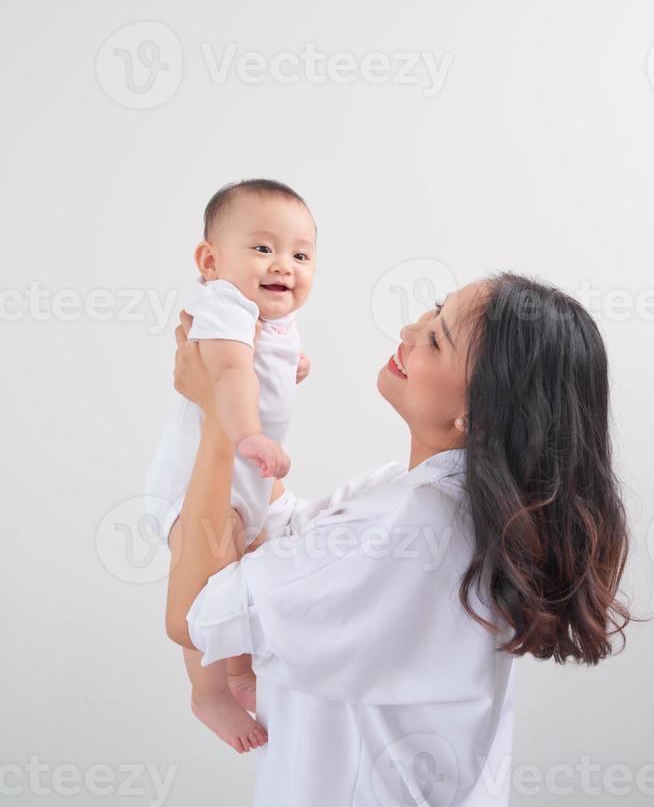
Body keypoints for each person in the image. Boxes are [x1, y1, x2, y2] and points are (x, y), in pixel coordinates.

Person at [165, 273, 634, 806]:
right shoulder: (427, 500)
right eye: (434, 312)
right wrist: (251, 400)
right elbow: (280, 527)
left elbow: (193, 617)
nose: (411, 330)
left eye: (436, 340)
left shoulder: (411, 525)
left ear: (478, 413)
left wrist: (213, 420)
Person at [145, 178, 316, 753]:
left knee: (246, 579)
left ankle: (240, 670)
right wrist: (247, 433)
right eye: (263, 248)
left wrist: (292, 362)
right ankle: (208, 692)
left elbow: (259, 364)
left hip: (246, 482)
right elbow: (229, 375)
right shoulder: (222, 303)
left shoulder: (269, 321)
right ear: (210, 261)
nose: (284, 266)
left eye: (300, 253)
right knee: (211, 586)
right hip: (197, 481)